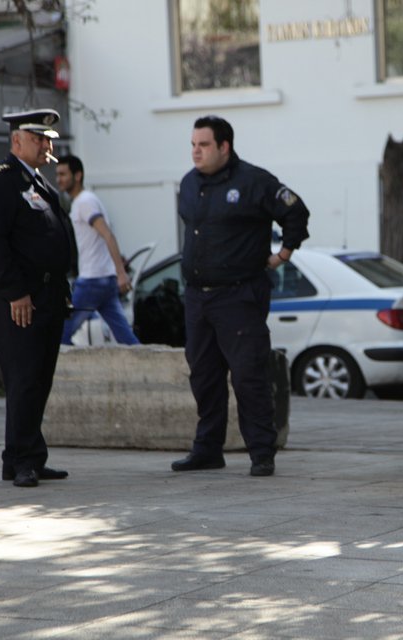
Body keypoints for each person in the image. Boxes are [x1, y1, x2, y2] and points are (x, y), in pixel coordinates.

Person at [170, 115, 309, 478]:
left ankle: (261, 452)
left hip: (239, 297)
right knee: (203, 376)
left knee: (248, 375)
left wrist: (282, 255)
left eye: (203, 145)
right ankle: (207, 450)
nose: (195, 152)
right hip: (198, 298)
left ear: (224, 147)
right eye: (193, 145)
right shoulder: (188, 183)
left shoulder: (254, 181)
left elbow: (296, 213)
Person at [0, 108, 76, 488]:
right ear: (16, 141)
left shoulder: (37, 182)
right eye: (38, 138)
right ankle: (21, 462)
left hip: (46, 295)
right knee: (24, 379)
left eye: (48, 139)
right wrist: (16, 292)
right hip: (19, 299)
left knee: (39, 379)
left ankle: (28, 454)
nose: (46, 145)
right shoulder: (0, 181)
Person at [56, 155, 140, 346]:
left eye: (63, 174)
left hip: (92, 280)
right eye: (57, 174)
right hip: (104, 279)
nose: (58, 179)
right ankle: (149, 370)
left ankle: (68, 374)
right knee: (125, 337)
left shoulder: (85, 202)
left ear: (78, 176)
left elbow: (108, 235)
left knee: (61, 334)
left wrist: (121, 273)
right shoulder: (85, 200)